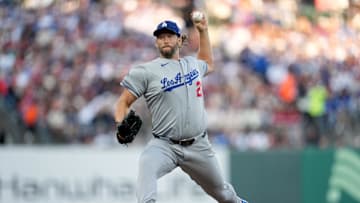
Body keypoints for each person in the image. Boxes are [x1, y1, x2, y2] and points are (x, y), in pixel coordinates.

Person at [114, 12, 248, 203]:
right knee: (146, 163)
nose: (165, 40)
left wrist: (203, 31)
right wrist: (120, 123)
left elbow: (208, 63)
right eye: (160, 37)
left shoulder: (192, 64)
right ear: (156, 43)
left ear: (180, 40)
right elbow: (123, 102)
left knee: (225, 195)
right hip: (164, 145)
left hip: (198, 146)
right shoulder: (145, 71)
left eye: (169, 36)